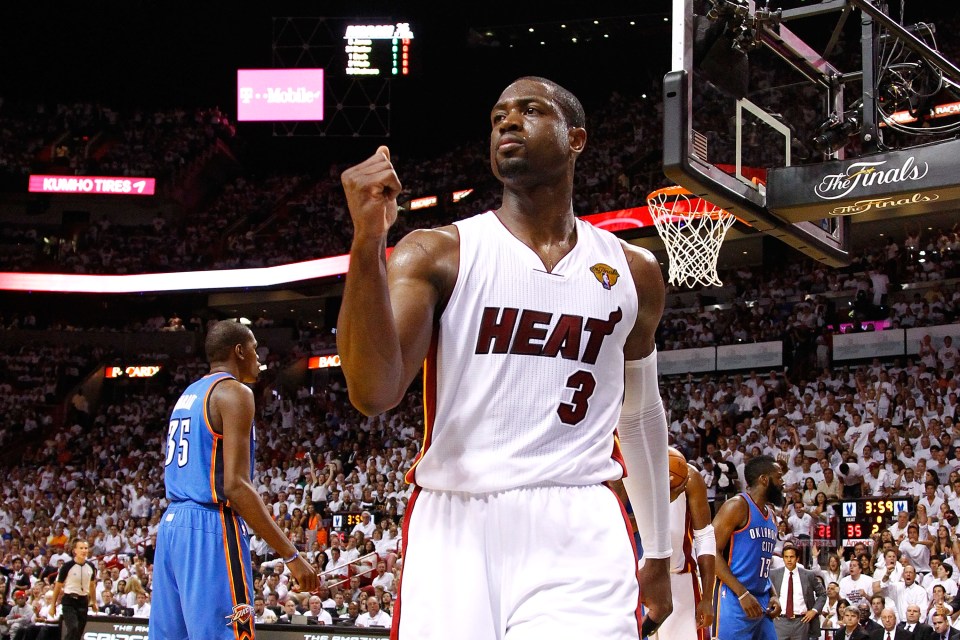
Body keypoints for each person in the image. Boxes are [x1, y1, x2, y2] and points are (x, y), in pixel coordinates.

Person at [338, 76, 672, 639]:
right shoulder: (435, 251)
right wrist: (368, 238)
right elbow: (373, 393)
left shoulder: (634, 271)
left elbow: (640, 414)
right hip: (457, 520)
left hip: (578, 518)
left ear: (577, 140)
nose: (507, 122)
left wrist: (659, 551)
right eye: (497, 117)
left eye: (530, 110)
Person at [149, 321, 318, 640]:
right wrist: (292, 556)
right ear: (239, 351)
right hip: (209, 527)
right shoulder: (234, 392)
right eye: (255, 348)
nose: (259, 357)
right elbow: (236, 487)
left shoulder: (189, 394)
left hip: (172, 525)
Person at [711, 455, 783, 640]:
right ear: (764, 479)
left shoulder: (772, 516)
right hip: (735, 600)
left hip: (762, 601)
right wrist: (743, 594)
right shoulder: (737, 506)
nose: (782, 482)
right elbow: (710, 552)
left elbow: (762, 564)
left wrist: (773, 594)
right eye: (779, 477)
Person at [652, 453, 716, 640]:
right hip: (634, 581)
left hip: (677, 581)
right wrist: (662, 503)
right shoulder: (623, 469)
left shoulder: (686, 472)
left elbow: (705, 536)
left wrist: (707, 598)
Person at [771, 543, 826, 640]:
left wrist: (814, 611)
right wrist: (770, 610)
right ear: (783, 558)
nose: (789, 560)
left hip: (801, 622)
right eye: (786, 557)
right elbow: (765, 593)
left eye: (791, 557)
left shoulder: (808, 575)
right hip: (780, 622)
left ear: (797, 558)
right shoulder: (774, 574)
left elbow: (822, 594)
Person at [49, 538, 97, 640]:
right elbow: (58, 587)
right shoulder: (67, 566)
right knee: (73, 628)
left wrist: (94, 601)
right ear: (74, 550)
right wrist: (52, 606)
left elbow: (92, 585)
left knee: (78, 633)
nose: (84, 550)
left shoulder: (91, 566)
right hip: (69, 601)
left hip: (83, 601)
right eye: (81, 548)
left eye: (86, 548)